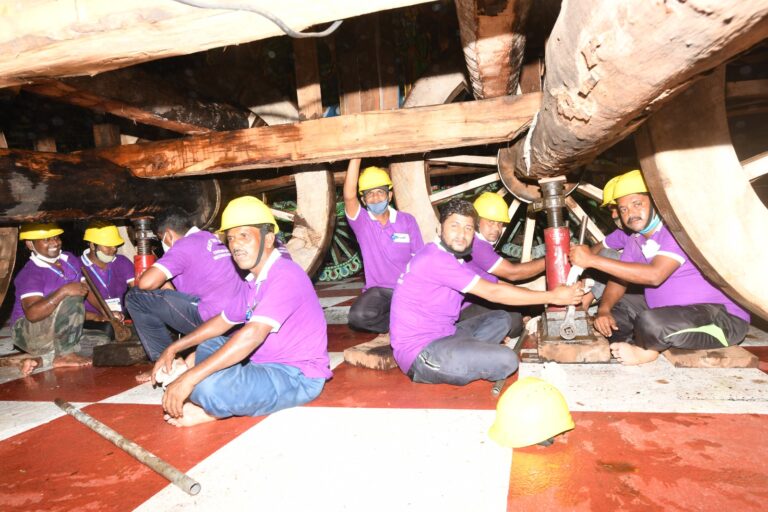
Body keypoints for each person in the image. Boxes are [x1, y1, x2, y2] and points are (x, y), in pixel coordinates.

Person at [151, 196, 331, 427]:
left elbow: (252, 335)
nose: (235, 245)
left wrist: (190, 377)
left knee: (206, 387)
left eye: (244, 236)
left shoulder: (285, 275)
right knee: (208, 345)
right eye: (231, 238)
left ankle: (213, 411)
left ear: (268, 239)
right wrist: (174, 347)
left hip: (296, 376)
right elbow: (222, 321)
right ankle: (220, 395)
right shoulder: (254, 281)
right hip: (260, 361)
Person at [390, 198, 583, 386]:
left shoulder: (450, 257)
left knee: (501, 318)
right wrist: (553, 296)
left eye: (468, 228)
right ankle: (465, 357)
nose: (461, 235)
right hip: (421, 354)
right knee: (507, 360)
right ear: (440, 229)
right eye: (454, 226)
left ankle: (469, 353)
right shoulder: (436, 259)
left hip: (447, 334)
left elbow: (498, 286)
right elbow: (494, 292)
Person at [569, 170, 751, 365]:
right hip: (670, 311)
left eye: (637, 204)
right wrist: (604, 310)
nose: (630, 213)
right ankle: (636, 342)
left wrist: (591, 260)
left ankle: (645, 350)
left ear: (656, 202)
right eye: (623, 209)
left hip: (720, 318)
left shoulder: (677, 231)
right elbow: (620, 279)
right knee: (616, 310)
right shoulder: (635, 240)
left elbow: (655, 275)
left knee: (651, 323)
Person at [125, 206, 244, 368]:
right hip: (236, 321)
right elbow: (176, 295)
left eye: (161, 238)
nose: (163, 242)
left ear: (168, 235)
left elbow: (146, 283)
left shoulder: (183, 246)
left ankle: (166, 365)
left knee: (135, 297)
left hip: (211, 320)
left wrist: (154, 271)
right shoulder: (210, 238)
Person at [343, 158, 423, 333]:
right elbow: (349, 196)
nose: (375, 197)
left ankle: (405, 319)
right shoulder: (363, 223)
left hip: (406, 287)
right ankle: (399, 324)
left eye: (380, 192)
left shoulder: (406, 220)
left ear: (390, 195)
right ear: (364, 200)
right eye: (369, 194)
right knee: (358, 316)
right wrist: (355, 157)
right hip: (378, 291)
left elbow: (419, 258)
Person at [10, 223, 91, 375]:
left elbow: (85, 291)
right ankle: (65, 354)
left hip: (54, 328)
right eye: (46, 239)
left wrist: (105, 315)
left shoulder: (70, 259)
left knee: (101, 340)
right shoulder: (30, 273)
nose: (54, 242)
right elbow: (32, 314)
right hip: (28, 332)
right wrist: (63, 291)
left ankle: (40, 360)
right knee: (71, 296)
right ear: (30, 244)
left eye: (56, 237)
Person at [461, 192, 546, 334]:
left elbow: (498, 283)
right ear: (476, 221)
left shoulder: (478, 242)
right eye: (491, 222)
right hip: (464, 309)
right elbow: (513, 273)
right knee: (513, 319)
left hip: (474, 299)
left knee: (522, 306)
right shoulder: (477, 245)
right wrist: (550, 260)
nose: (496, 229)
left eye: (500, 224)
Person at [79, 221, 135, 338]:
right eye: (108, 246)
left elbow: (137, 288)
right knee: (108, 331)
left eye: (115, 245)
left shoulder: (122, 262)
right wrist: (100, 316)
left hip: (120, 317)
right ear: (92, 245)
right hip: (90, 321)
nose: (114, 249)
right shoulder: (77, 266)